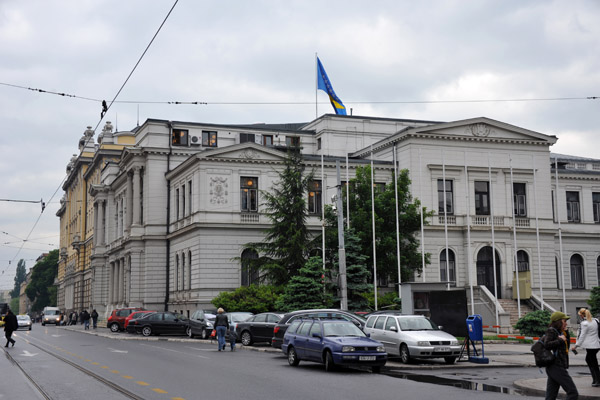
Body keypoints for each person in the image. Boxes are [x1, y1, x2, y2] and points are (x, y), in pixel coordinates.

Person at [544, 311, 578, 400]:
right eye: (564, 321)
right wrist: (560, 340)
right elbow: (546, 344)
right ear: (559, 321)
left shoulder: (561, 332)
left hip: (556, 366)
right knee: (573, 392)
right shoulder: (551, 330)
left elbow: (566, 347)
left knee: (550, 396)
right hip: (556, 366)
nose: (566, 323)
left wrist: (566, 334)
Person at [571, 308, 600, 387]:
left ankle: (597, 380)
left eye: (579, 315)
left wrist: (576, 346)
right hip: (597, 344)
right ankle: (596, 379)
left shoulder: (584, 323)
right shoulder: (596, 321)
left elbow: (582, 335)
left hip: (590, 345)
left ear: (582, 315)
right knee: (591, 360)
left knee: (592, 362)